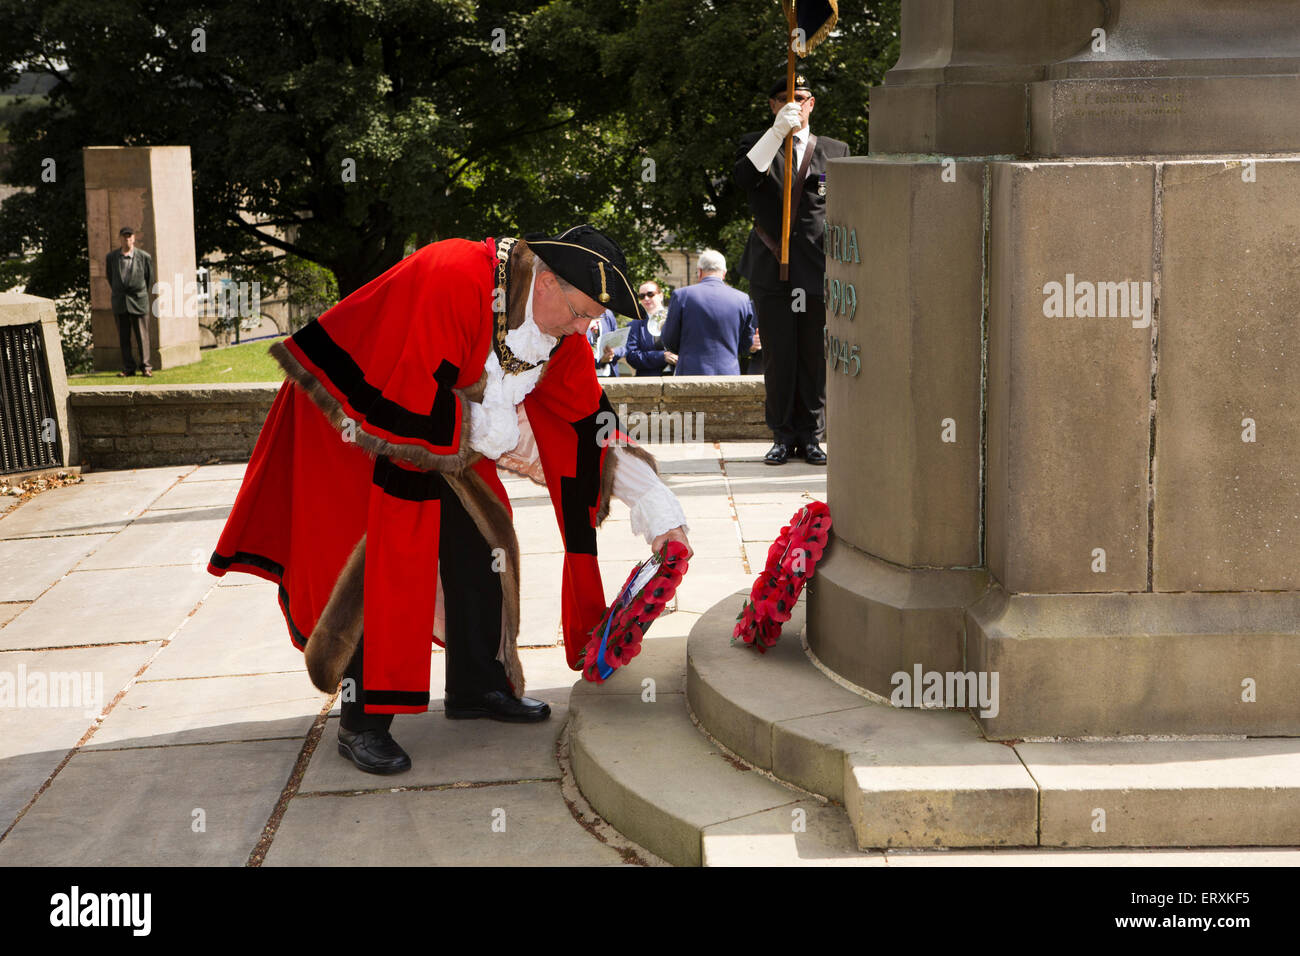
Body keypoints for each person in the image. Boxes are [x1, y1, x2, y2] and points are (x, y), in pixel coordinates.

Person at [208, 225, 692, 774]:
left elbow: (590, 427)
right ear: (549, 282)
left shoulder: (560, 331)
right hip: (352, 423)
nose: (582, 330)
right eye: (580, 314)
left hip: (441, 428)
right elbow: (406, 389)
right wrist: (492, 431)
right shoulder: (454, 275)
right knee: (383, 559)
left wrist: (659, 514)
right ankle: (360, 719)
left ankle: (477, 685)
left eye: (591, 321)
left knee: (483, 545)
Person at [733, 72, 850, 465]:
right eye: (784, 98)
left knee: (813, 358)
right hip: (771, 268)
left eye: (800, 97)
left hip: (815, 268)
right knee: (779, 357)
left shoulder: (835, 151)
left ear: (812, 103)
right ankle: (783, 435)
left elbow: (840, 208)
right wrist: (775, 133)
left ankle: (812, 436)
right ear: (772, 105)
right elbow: (746, 179)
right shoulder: (756, 146)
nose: (793, 104)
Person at [660, 250, 756, 375]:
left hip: (690, 373)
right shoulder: (742, 299)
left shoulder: (682, 296)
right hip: (728, 373)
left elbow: (669, 340)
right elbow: (746, 344)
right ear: (724, 273)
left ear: (699, 271)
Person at [105, 227, 154, 377]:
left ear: (134, 238)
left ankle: (146, 367)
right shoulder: (112, 257)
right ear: (119, 239)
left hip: (139, 301)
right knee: (124, 337)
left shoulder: (144, 256)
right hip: (120, 302)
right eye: (124, 237)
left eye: (129, 236)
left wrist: (137, 292)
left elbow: (149, 279)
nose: (127, 239)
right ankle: (128, 368)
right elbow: (111, 278)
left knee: (142, 336)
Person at [624, 280, 676, 376]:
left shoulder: (676, 318)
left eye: (650, 294)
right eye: (642, 296)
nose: (646, 298)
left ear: (660, 296)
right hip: (649, 381)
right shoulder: (634, 325)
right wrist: (662, 356)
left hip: (678, 376)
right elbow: (632, 357)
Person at [587, 308, 625, 377]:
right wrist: (599, 361)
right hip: (586, 377)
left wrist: (612, 352)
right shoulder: (577, 316)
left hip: (609, 375)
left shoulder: (607, 313)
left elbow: (622, 348)